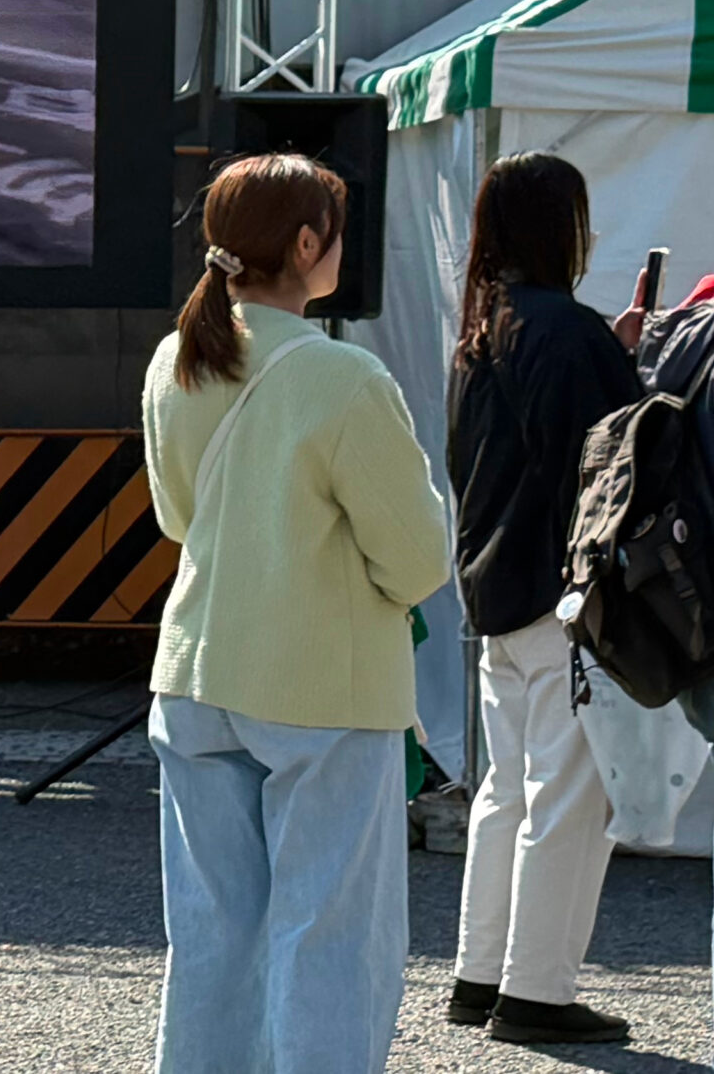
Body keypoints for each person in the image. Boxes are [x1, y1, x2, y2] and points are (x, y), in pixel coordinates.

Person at [141, 152, 451, 1074]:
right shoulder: (343, 377)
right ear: (309, 242)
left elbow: (177, 518)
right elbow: (420, 560)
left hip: (197, 670)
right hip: (325, 685)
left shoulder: (177, 358)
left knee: (212, 940)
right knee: (330, 938)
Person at [442, 153, 644, 1045]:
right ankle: (535, 992)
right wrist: (625, 363)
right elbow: (608, 470)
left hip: (495, 588)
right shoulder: (570, 332)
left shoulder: (481, 326)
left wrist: (613, 347)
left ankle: (479, 977)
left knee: (506, 794)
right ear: (559, 226)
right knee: (568, 796)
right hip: (566, 596)